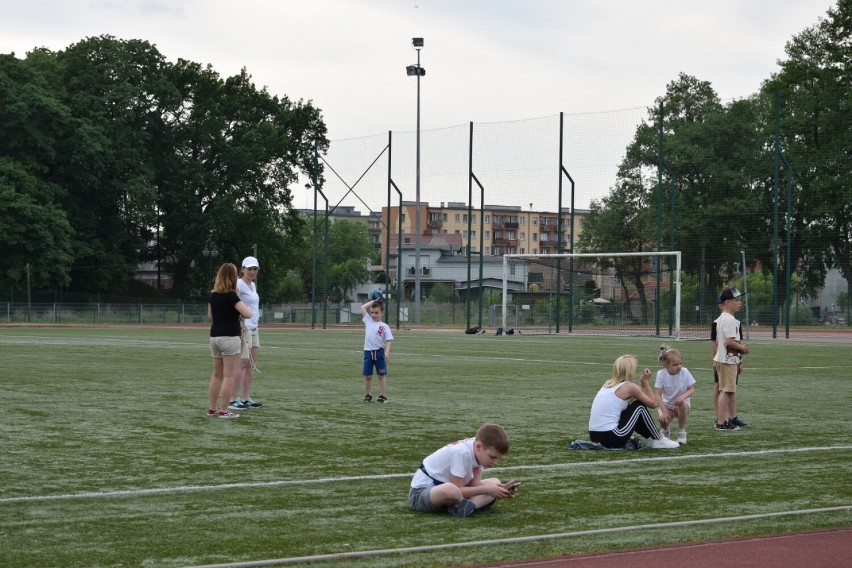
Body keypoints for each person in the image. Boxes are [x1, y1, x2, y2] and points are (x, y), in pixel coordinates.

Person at [409, 423, 518, 517]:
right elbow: (458, 489)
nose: (495, 462)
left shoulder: (478, 450)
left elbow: (475, 484)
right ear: (478, 447)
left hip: (452, 491)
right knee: (451, 490)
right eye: (492, 457)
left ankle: (466, 507)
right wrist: (488, 490)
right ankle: (466, 505)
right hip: (421, 494)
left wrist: (500, 489)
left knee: (495, 482)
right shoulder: (462, 453)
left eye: (498, 458)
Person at [588, 355, 680, 449]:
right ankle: (658, 439)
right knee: (639, 407)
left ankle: (651, 439)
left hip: (595, 437)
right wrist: (645, 382)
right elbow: (653, 404)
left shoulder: (607, 384)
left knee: (632, 408)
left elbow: (632, 401)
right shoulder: (629, 387)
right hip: (611, 437)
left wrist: (641, 385)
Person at [208, 263, 253, 419]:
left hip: (214, 337)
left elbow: (210, 316)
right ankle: (224, 410)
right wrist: (250, 308)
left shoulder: (213, 295)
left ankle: (212, 409)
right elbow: (247, 313)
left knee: (216, 375)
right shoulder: (232, 295)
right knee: (229, 376)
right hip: (230, 337)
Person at [713, 286, 750, 431]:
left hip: (724, 359)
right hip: (728, 360)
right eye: (737, 300)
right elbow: (729, 342)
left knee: (725, 390)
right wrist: (743, 348)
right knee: (727, 391)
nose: (740, 303)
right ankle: (722, 422)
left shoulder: (722, 318)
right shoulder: (729, 320)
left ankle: (722, 420)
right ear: (727, 302)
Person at [230, 256, 263, 411]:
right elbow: (232, 302)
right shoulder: (238, 284)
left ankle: (245, 398)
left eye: (254, 269)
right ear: (242, 269)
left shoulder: (253, 285)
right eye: (249, 268)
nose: (252, 271)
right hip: (244, 328)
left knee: (250, 365)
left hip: (254, 327)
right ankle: (232, 399)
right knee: (241, 364)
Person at [654, 346, 696, 445]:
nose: (679, 366)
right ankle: (665, 431)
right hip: (667, 406)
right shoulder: (661, 374)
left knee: (683, 403)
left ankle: (682, 432)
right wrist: (664, 411)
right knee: (663, 419)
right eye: (675, 364)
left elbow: (692, 389)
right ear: (665, 365)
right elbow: (658, 394)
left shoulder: (685, 372)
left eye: (680, 363)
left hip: (680, 405)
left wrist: (683, 396)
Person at [361, 299, 393, 403]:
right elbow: (362, 307)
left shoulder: (384, 326)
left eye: (376, 313)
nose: (374, 315)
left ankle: (383, 396)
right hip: (368, 353)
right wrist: (374, 301)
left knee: (381, 375)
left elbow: (388, 340)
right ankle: (368, 395)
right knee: (368, 376)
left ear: (382, 313)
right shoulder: (368, 321)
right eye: (372, 312)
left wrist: (386, 353)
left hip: (379, 353)